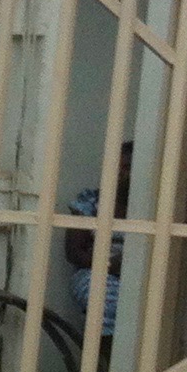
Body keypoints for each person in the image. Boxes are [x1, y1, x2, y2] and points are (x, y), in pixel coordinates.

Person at [65, 144, 133, 343]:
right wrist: (113, 265)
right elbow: (74, 253)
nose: (120, 173)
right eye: (116, 167)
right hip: (94, 270)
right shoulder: (91, 203)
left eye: (127, 168)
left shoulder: (154, 209)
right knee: (103, 299)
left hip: (139, 275)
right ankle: (104, 366)